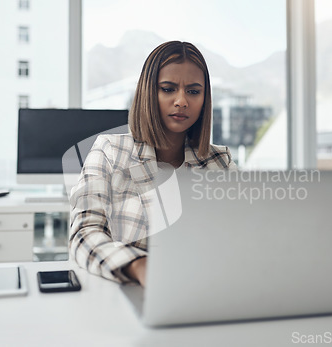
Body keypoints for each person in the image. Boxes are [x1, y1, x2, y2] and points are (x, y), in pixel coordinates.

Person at [69, 41, 236, 286]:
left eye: (193, 91)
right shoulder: (109, 151)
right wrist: (138, 265)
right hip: (127, 293)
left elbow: (241, 239)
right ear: (149, 92)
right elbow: (83, 234)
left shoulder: (220, 162)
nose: (182, 101)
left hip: (202, 291)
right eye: (168, 89)